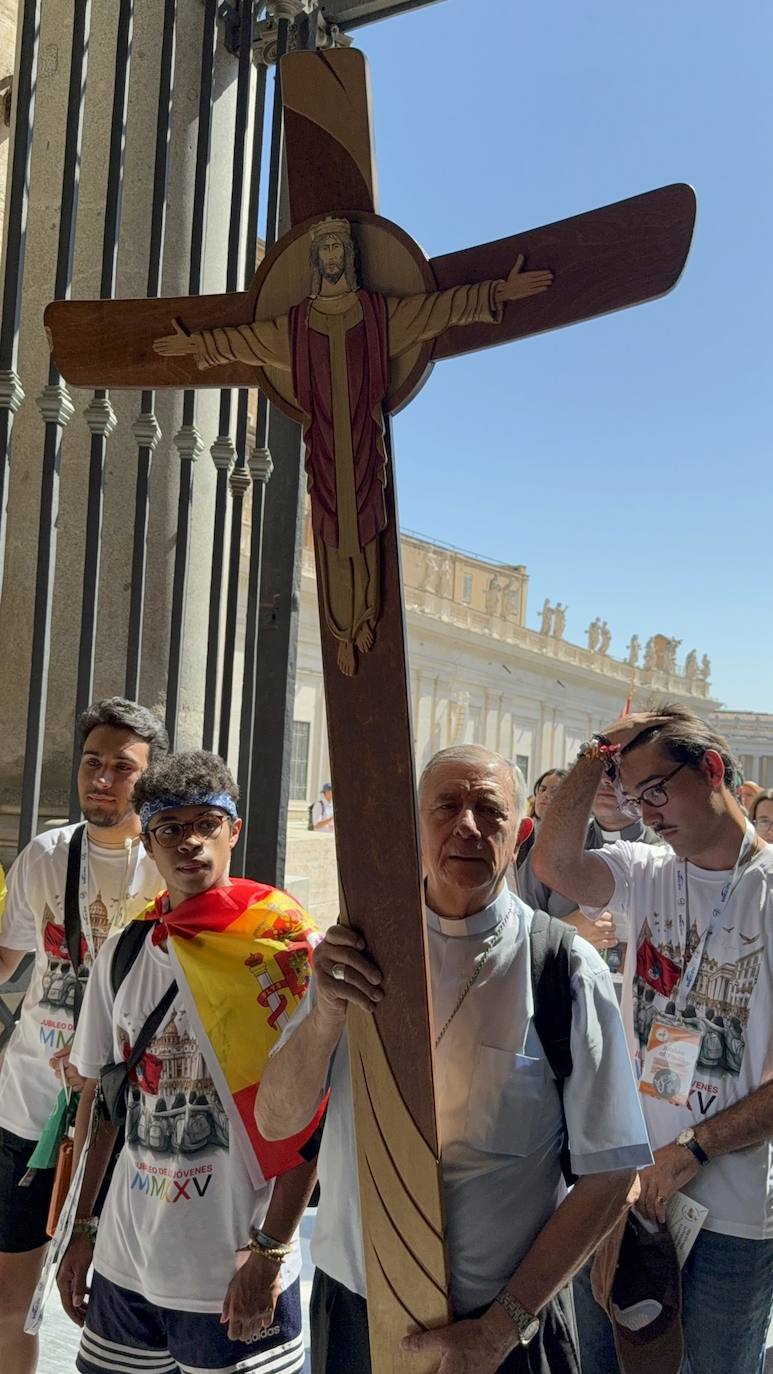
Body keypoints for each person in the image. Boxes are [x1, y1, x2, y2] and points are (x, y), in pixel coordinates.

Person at [256, 744, 652, 1374]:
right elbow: (278, 1121)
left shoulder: (562, 968)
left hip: (496, 1332)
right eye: (447, 805)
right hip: (354, 1310)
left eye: (489, 810)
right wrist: (327, 1011)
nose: (467, 825)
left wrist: (503, 1328)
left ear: (520, 831)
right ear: (418, 823)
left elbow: (611, 1174)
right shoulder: (357, 953)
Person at [154, 218, 551, 675]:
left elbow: (438, 309)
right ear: (315, 260)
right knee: (327, 527)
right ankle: (343, 626)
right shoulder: (297, 326)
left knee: (364, 523)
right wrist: (197, 345)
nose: (331, 257)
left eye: (338, 249)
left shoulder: (379, 316)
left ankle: (362, 618)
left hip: (363, 443)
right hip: (323, 446)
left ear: (350, 257)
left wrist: (496, 292)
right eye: (323, 250)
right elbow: (245, 341)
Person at [58, 750, 320, 1374]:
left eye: (207, 822)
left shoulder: (284, 951)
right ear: (148, 843)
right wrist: (84, 1230)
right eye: (170, 829)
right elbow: (106, 1105)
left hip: (233, 1269)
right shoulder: (126, 951)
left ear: (235, 831)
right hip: (126, 1264)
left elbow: (315, 1116)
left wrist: (272, 1251)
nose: (191, 842)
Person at [532, 704, 773, 1374]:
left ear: (713, 770)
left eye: (656, 791)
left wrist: (693, 1148)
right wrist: (593, 754)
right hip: (621, 1189)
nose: (647, 813)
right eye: (633, 797)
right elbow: (553, 862)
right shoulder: (644, 868)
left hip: (729, 1213)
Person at [0, 697, 167, 1374]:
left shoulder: (172, 867)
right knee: (11, 1301)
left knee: (120, 1307)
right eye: (92, 762)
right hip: (29, 1109)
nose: (101, 777)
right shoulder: (45, 855)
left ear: (148, 778)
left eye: (121, 767)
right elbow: (7, 960)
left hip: (128, 1128)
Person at [518, 771, 660, 963]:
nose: (605, 779)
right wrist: (565, 932)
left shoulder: (667, 855)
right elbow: (516, 930)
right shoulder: (553, 849)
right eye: (600, 767)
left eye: (617, 770)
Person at [516, 768, 566, 868]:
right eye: (542, 789)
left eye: (554, 791)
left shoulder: (574, 839)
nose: (545, 795)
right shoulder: (520, 830)